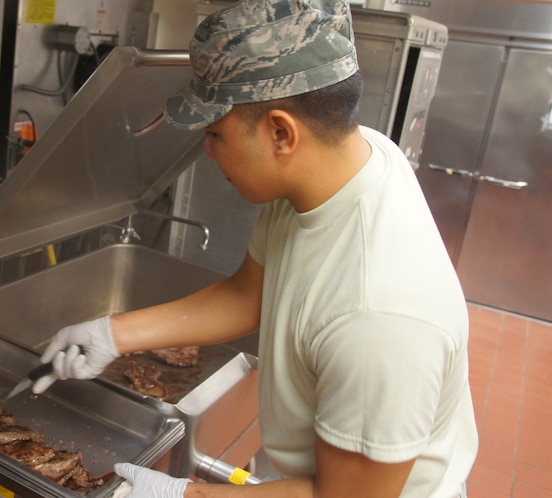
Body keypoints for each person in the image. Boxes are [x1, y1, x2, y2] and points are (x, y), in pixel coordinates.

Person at [32, 0, 479, 496]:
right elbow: (249, 296)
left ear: (281, 133)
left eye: (216, 132)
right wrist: (112, 334)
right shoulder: (342, 164)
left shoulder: (379, 317)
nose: (207, 148)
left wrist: (187, 494)